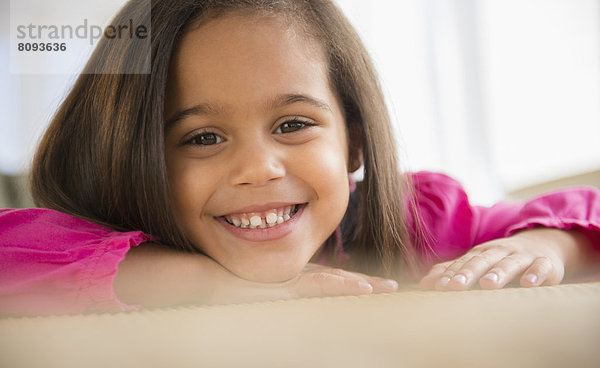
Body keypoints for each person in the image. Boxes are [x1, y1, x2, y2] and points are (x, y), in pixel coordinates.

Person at [1, 0, 599, 316]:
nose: (259, 168)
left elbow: (581, 213)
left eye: (292, 125)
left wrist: (546, 245)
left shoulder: (419, 220)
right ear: (129, 156)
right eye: (203, 137)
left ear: (355, 142)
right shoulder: (99, 242)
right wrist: (203, 285)